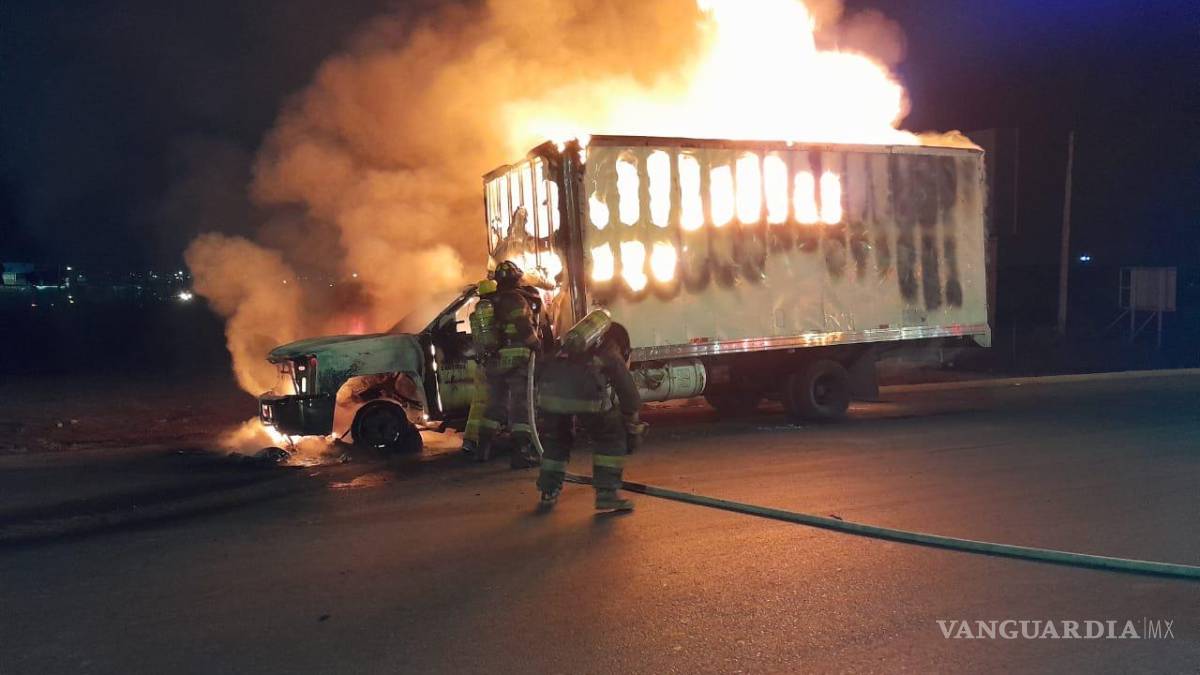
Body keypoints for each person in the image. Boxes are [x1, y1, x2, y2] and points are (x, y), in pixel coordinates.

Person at [535, 310, 646, 511]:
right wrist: (631, 420)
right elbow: (625, 385)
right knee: (610, 437)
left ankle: (548, 492)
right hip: (585, 396)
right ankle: (606, 493)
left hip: (550, 396)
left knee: (556, 440)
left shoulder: (564, 345)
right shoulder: (609, 348)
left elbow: (542, 368)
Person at [476, 260, 542, 468]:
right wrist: (536, 344)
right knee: (521, 406)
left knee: (496, 403)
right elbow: (523, 324)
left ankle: (483, 449)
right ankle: (521, 454)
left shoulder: (492, 300)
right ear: (516, 278)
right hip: (516, 357)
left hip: (495, 360)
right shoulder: (515, 298)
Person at [462, 278, 498, 457]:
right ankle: (483, 442)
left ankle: (470, 439)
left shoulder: (475, 314)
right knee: (496, 401)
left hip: (481, 364)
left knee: (478, 403)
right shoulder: (493, 310)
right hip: (493, 363)